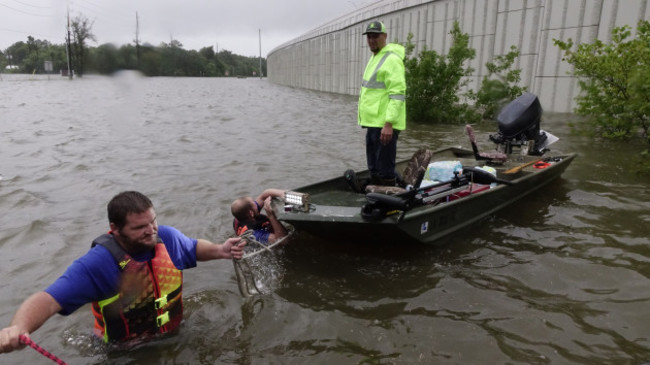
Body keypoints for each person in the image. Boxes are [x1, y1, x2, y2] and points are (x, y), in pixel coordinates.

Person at [0, 191, 245, 353]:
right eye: (140, 227)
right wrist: (19, 327)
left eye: (153, 221)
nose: (151, 231)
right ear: (115, 229)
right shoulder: (97, 265)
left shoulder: (166, 238)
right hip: (124, 351)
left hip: (175, 333)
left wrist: (220, 250)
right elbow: (48, 299)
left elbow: (192, 248)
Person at [358, 20, 407, 187]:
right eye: (369, 37)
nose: (371, 40)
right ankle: (380, 192)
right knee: (373, 166)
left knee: (384, 168)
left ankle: (390, 202)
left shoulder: (392, 59)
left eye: (375, 36)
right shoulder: (375, 57)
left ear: (384, 36)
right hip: (373, 122)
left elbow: (398, 94)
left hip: (385, 125)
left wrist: (389, 124)